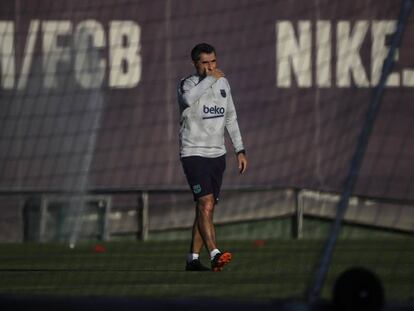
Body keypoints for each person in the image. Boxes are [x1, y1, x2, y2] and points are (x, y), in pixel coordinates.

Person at [177, 43, 247, 272]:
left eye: (213, 62)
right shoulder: (187, 84)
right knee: (205, 203)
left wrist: (240, 149)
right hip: (193, 153)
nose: (210, 67)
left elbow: (231, 117)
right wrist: (210, 78)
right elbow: (188, 100)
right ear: (195, 63)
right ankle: (215, 253)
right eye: (205, 63)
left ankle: (193, 260)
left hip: (218, 155)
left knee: (206, 208)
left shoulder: (223, 83)